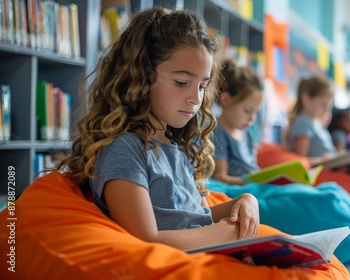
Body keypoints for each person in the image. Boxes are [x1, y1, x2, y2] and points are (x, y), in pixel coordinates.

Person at [54, 8, 260, 251]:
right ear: (142, 76)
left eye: (202, 86)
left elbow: (196, 216)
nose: (196, 98)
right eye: (182, 83)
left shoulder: (177, 148)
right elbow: (145, 240)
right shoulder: (123, 150)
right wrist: (227, 233)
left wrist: (246, 201)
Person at [212, 59, 263, 185]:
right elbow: (221, 178)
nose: (252, 119)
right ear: (226, 99)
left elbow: (252, 167)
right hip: (239, 190)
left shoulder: (246, 131)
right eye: (247, 110)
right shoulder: (218, 133)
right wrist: (252, 183)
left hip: (253, 187)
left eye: (256, 112)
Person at [287, 76, 337, 166]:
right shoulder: (303, 122)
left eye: (329, 107)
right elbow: (301, 162)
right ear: (306, 99)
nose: (326, 110)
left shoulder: (316, 123)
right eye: (323, 105)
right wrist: (323, 160)